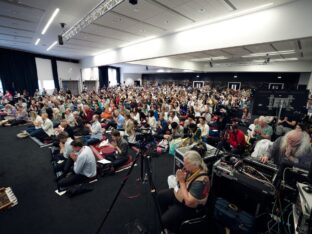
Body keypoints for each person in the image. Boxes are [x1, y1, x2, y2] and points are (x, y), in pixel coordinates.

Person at [158, 151, 209, 233]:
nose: (183, 166)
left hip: (189, 207)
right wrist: (181, 178)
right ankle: (168, 218)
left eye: (186, 164)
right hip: (182, 195)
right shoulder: (193, 170)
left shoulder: (201, 182)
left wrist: (181, 181)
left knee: (163, 221)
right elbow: (185, 183)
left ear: (194, 164)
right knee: (161, 196)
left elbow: (189, 202)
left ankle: (172, 228)